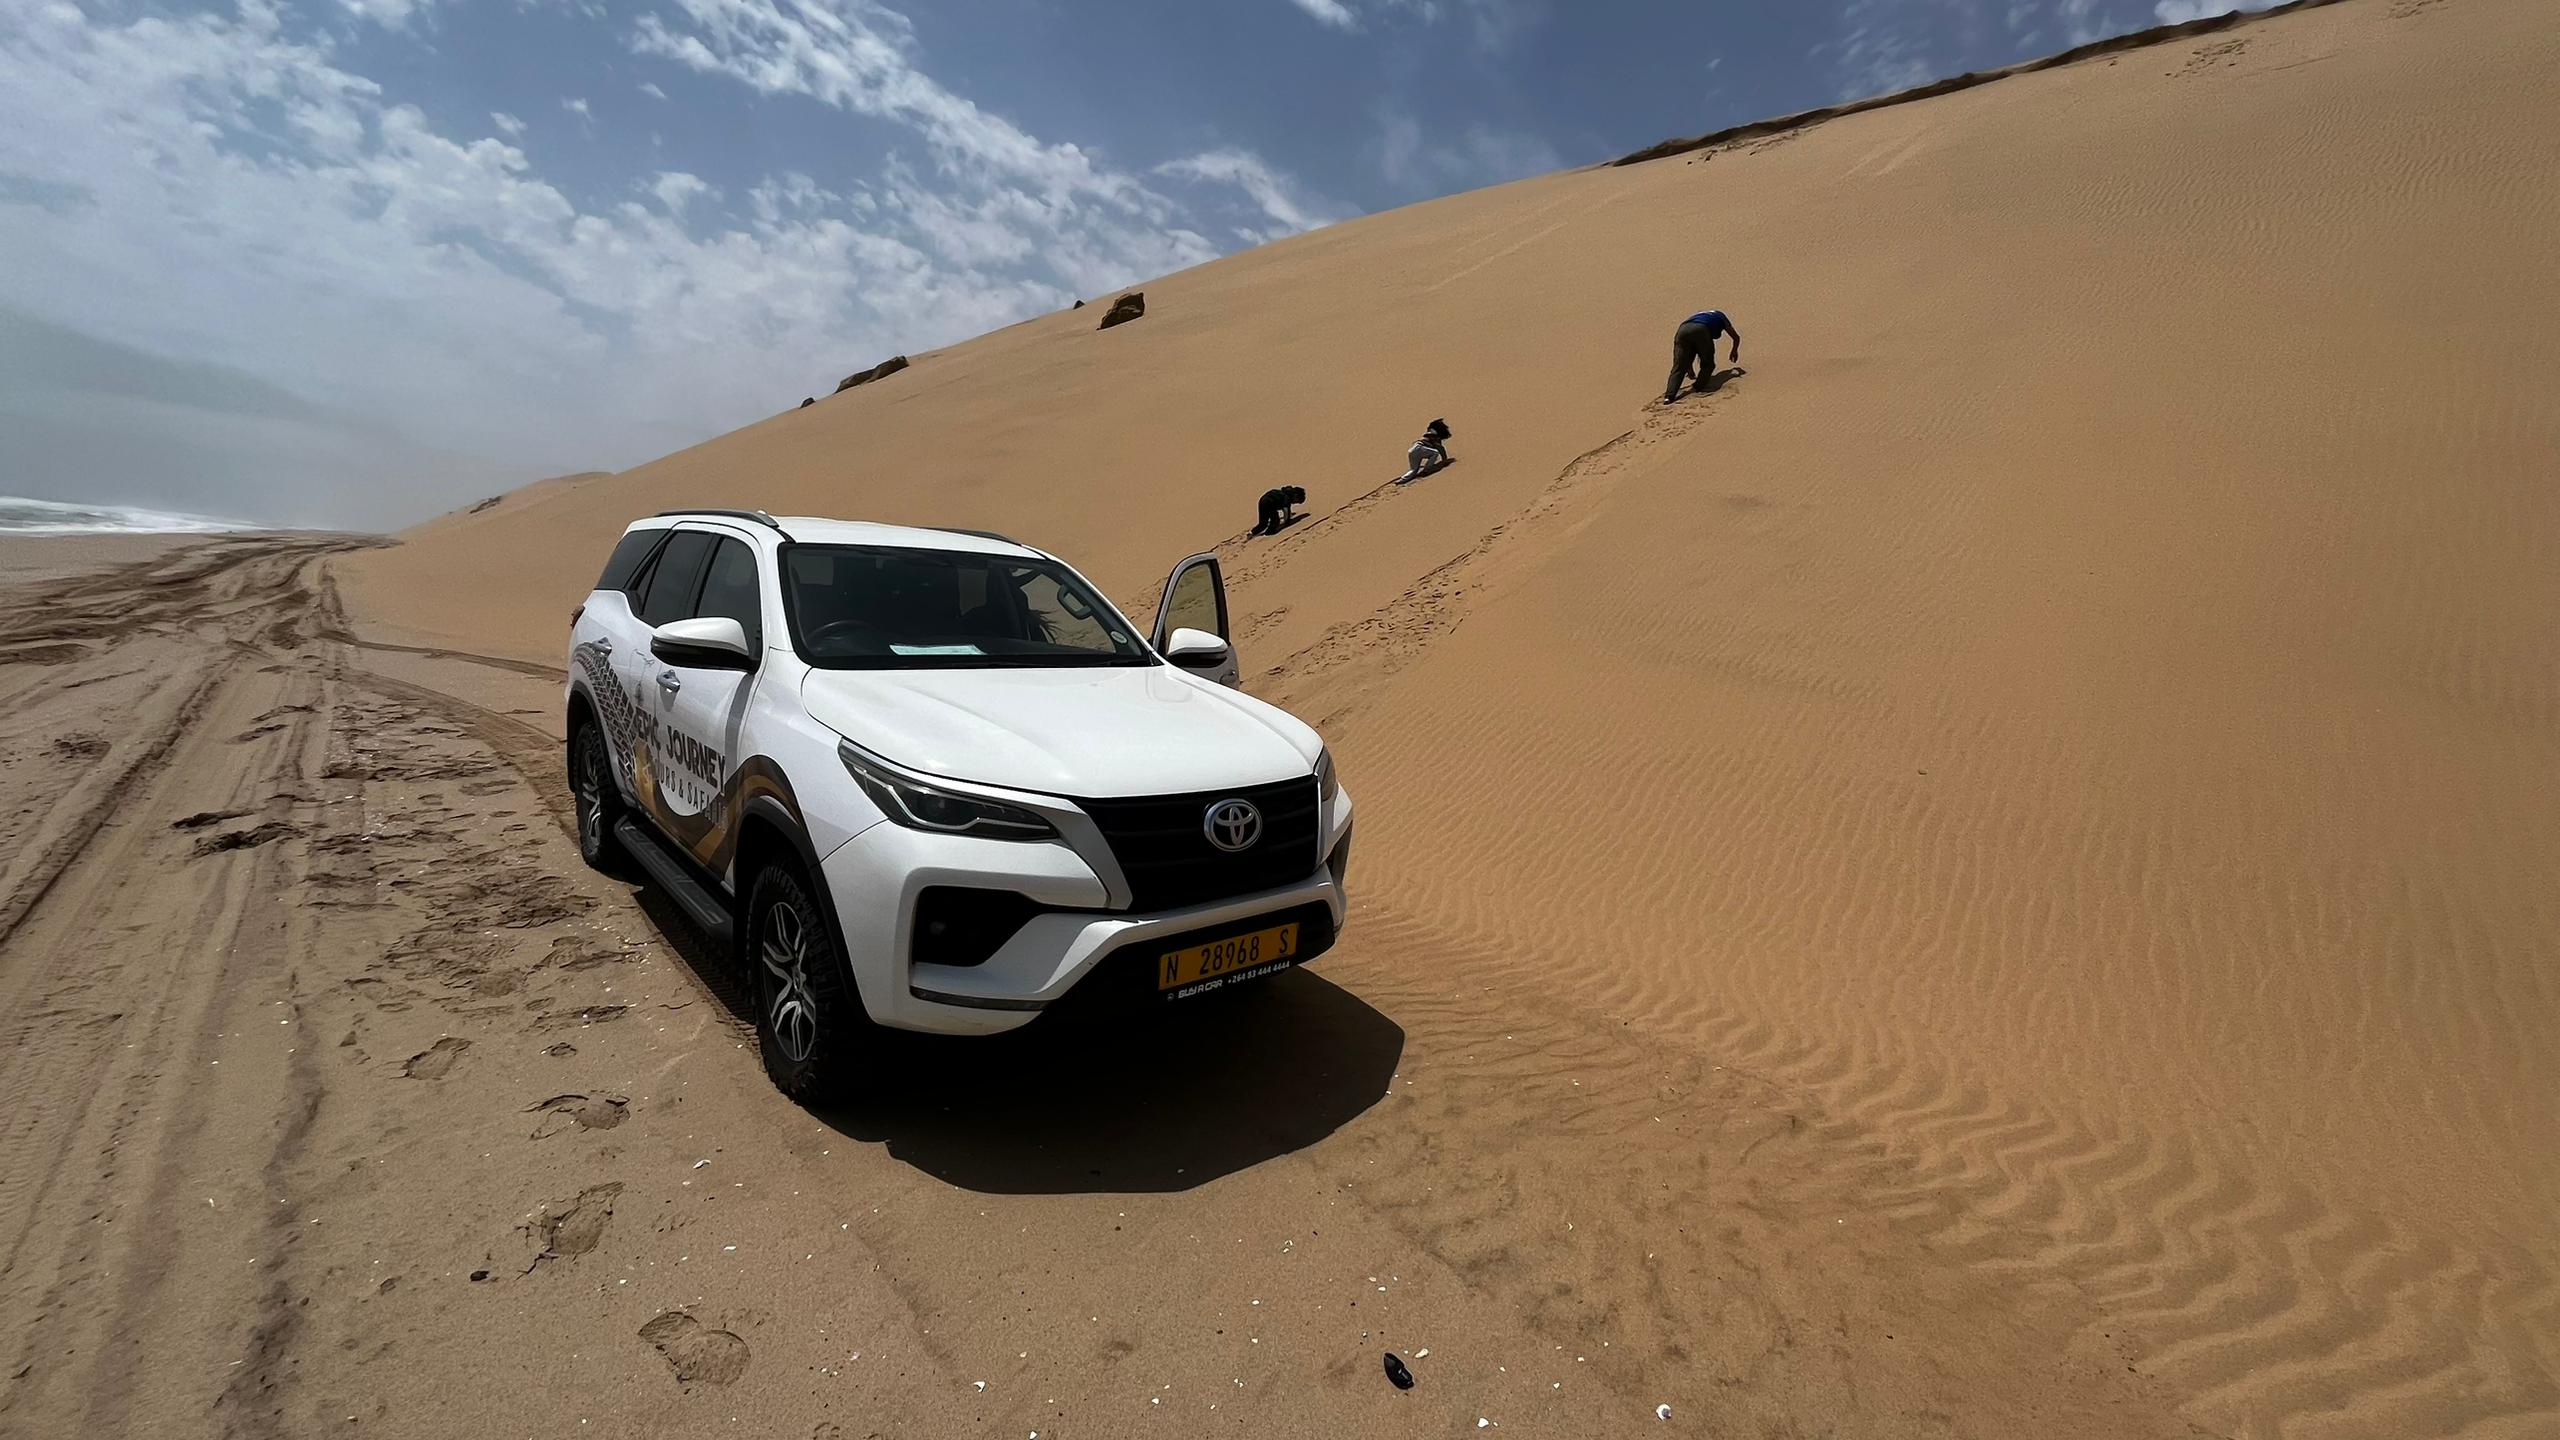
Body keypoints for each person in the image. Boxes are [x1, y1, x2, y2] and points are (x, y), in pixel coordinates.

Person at [1664, 309, 1741, 404]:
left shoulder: (1699, 315)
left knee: (1679, 366)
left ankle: (1669, 396)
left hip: (1682, 330)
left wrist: (1689, 369)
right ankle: (1698, 387)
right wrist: (1734, 350)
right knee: (1708, 364)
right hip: (1701, 329)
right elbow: (1736, 337)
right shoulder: (1721, 316)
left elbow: (1688, 354)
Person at [1398, 418, 1453, 484]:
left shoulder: (1432, 434)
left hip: (1413, 449)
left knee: (1413, 469)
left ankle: (1402, 480)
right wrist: (1445, 460)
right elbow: (1440, 448)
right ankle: (1427, 470)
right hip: (1420, 448)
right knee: (1435, 453)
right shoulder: (1434, 435)